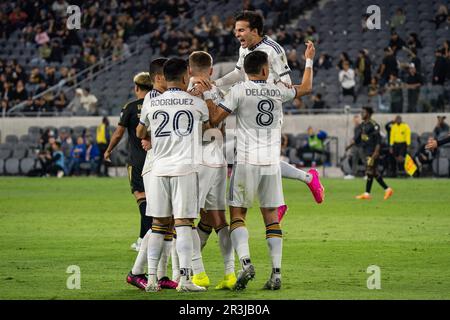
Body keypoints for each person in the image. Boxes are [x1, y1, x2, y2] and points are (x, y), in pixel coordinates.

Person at [197, 44, 315, 291]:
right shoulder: (277, 91)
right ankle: (276, 273)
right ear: (265, 69)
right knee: (272, 219)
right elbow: (306, 88)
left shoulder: (239, 90)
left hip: (246, 161)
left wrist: (209, 96)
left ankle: (246, 264)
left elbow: (215, 120)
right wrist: (308, 61)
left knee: (238, 215)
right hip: (272, 163)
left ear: (247, 70)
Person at [213, 10, 324, 204]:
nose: (236, 34)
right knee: (261, 159)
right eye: (236, 30)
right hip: (249, 102)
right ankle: (286, 197)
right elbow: (239, 73)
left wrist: (268, 90)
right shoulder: (244, 49)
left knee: (260, 159)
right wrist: (216, 83)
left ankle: (283, 198)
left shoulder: (274, 49)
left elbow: (286, 81)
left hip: (267, 105)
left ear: (254, 30)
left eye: (241, 30)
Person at [137, 58, 209, 293]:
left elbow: (140, 131)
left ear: (163, 77)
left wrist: (150, 132)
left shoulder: (152, 102)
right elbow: (208, 129)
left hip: (158, 169)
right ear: (186, 75)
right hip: (184, 169)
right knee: (184, 224)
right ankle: (186, 281)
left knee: (158, 225)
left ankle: (150, 281)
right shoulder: (196, 103)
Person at [187, 51, 236, 290]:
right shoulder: (220, 92)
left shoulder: (190, 93)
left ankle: (198, 273)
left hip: (198, 157)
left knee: (185, 218)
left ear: (189, 70)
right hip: (218, 157)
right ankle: (230, 273)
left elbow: (207, 127)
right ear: (212, 70)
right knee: (219, 218)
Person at [347, 107, 393, 200]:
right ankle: (370, 193)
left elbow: (378, 140)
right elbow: (358, 138)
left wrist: (376, 152)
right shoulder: (363, 124)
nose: (361, 114)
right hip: (366, 150)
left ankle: (384, 190)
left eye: (363, 112)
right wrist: (350, 145)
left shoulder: (374, 125)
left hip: (372, 152)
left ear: (368, 113)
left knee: (370, 171)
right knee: (372, 172)